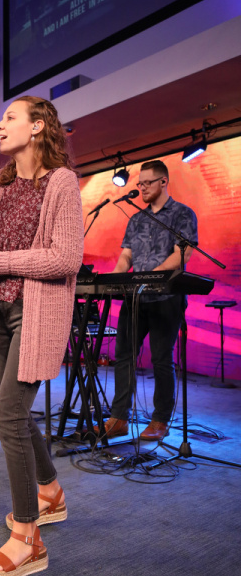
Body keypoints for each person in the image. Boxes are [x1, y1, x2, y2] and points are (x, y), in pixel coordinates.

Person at [0, 96, 83, 576]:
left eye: (10, 118)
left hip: (36, 313)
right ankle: (50, 492)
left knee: (7, 415)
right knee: (18, 414)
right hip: (1, 312)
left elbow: (66, 257)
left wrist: (2, 262)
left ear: (39, 125)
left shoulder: (62, 182)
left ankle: (29, 539)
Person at [100, 160, 198, 443]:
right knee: (123, 355)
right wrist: (112, 280)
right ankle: (119, 418)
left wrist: (152, 278)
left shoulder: (182, 214)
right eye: (139, 184)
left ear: (163, 182)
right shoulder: (136, 219)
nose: (141, 188)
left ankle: (160, 420)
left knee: (161, 359)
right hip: (135, 298)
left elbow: (183, 253)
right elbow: (126, 256)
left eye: (146, 183)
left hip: (166, 298)